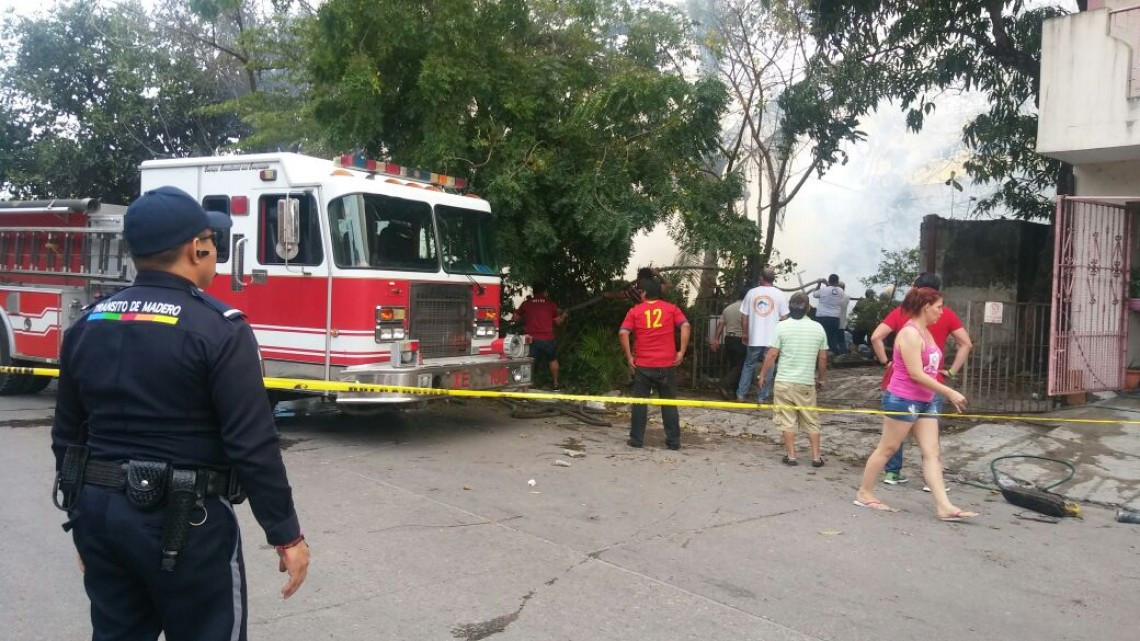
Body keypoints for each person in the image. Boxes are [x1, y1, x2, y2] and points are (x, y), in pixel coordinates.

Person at [51, 186, 309, 640]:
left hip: (101, 518)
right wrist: (285, 533)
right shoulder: (219, 329)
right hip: (188, 524)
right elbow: (252, 444)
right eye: (212, 243)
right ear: (198, 248)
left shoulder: (88, 324)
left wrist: (82, 524)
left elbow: (68, 437)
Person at [854, 287, 979, 521]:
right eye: (939, 307)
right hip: (903, 398)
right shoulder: (910, 334)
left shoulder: (926, 331)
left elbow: (930, 369)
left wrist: (941, 387)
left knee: (932, 452)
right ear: (926, 307)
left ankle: (944, 506)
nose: (942, 312)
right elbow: (916, 374)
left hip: (927, 400)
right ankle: (864, 492)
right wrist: (949, 391)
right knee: (888, 448)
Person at [871, 272, 973, 487]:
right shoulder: (946, 314)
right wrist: (952, 371)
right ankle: (930, 482)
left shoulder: (902, 312)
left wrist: (885, 361)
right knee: (928, 442)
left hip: (901, 383)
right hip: (932, 382)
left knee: (894, 434)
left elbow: (876, 336)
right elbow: (966, 344)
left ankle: (892, 473)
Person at [619, 277, 690, 450]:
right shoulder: (671, 309)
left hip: (643, 364)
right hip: (667, 363)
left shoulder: (635, 311)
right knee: (669, 403)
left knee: (640, 403)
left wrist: (629, 357)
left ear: (644, 293)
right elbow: (686, 326)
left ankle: (636, 440)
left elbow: (623, 333)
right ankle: (673, 441)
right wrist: (681, 351)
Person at [758, 293, 828, 466]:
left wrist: (763, 374)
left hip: (784, 382)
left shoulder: (781, 327)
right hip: (806, 383)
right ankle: (816, 457)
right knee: (811, 419)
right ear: (808, 308)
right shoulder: (818, 328)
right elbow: (823, 358)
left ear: (789, 307)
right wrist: (821, 379)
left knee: (787, 420)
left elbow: (772, 354)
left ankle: (791, 456)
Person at [736, 267, 789, 402]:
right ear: (773, 279)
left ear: (761, 278)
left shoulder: (751, 293)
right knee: (769, 367)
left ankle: (741, 394)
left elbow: (744, 317)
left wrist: (745, 333)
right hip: (772, 340)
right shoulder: (780, 294)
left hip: (754, 338)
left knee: (748, 365)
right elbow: (784, 318)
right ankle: (762, 396)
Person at [516, 281, 568, 390]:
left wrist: (525, 318)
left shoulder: (526, 303)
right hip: (548, 339)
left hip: (531, 339)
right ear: (545, 292)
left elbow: (514, 318)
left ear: (533, 292)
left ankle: (525, 387)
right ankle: (556, 385)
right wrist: (563, 316)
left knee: (528, 362)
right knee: (553, 360)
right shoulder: (550, 304)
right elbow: (558, 322)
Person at [709, 285, 748, 400]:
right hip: (741, 339)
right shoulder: (747, 309)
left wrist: (715, 339)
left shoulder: (728, 308)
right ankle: (724, 384)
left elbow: (720, 326)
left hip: (729, 339)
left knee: (733, 366)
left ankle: (735, 393)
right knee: (740, 366)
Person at [811, 274, 848, 356]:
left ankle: (821, 355)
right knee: (832, 339)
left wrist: (819, 284)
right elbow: (832, 289)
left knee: (821, 338)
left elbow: (814, 294)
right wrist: (826, 283)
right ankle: (836, 356)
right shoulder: (841, 291)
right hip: (834, 319)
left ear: (829, 280)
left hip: (822, 317)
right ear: (837, 282)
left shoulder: (823, 290)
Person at [604, 266, 671, 305]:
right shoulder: (656, 288)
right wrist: (657, 274)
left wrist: (606, 294)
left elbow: (619, 295)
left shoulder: (636, 292)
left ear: (641, 279)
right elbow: (667, 284)